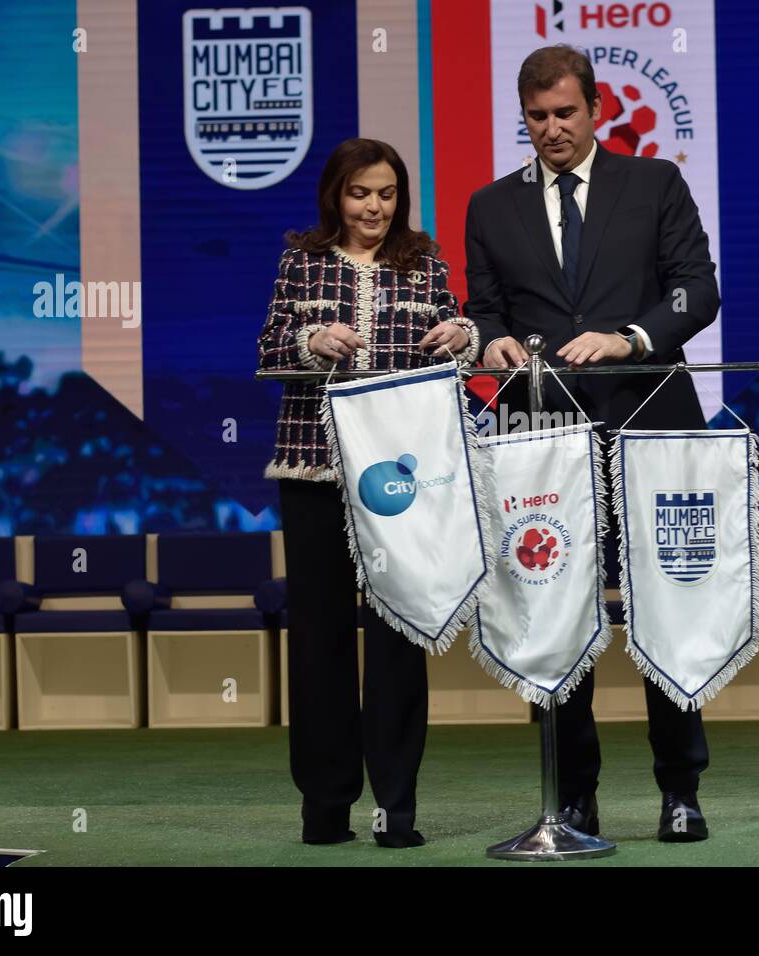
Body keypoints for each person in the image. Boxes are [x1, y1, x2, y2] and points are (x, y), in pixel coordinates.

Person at [463, 45, 721, 842]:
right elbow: (488, 307)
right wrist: (492, 342)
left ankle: (681, 792)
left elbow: (696, 290)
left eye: (565, 113)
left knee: (665, 603)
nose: (551, 129)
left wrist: (629, 337)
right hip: (543, 431)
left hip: (652, 422)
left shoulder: (654, 184)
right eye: (537, 117)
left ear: (597, 110)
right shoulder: (489, 205)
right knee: (558, 609)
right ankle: (573, 797)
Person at [258, 137, 479, 847]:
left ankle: (396, 804)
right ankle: (324, 806)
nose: (374, 207)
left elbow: (461, 334)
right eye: (360, 193)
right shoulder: (302, 258)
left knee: (398, 636)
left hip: (401, 480)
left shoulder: (424, 261)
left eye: (386, 193)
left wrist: (463, 335)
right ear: (336, 196)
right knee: (319, 642)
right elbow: (267, 346)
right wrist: (311, 339)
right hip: (315, 472)